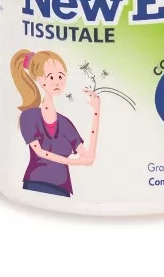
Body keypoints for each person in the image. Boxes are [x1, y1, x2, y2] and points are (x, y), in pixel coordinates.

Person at [10, 49, 100, 197]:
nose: (57, 82)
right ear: (39, 79)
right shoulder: (29, 116)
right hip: (36, 183)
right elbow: (40, 152)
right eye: (51, 77)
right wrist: (76, 162)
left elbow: (88, 155)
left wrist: (97, 110)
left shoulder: (65, 123)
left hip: (62, 187)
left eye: (61, 76)